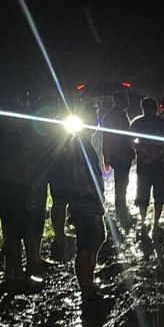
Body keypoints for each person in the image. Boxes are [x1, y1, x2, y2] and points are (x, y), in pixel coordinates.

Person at [0, 100, 47, 292]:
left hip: (4, 189)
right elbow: (17, 164)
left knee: (12, 231)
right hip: (11, 190)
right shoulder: (6, 136)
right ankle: (17, 274)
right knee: (15, 231)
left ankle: (13, 273)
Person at [57, 104, 107, 293]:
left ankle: (89, 280)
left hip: (89, 198)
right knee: (87, 242)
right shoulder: (79, 144)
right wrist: (87, 192)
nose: (95, 121)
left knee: (96, 239)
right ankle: (85, 283)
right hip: (85, 199)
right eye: (92, 118)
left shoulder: (84, 142)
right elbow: (77, 172)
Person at [129, 97, 164, 238]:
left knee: (142, 192)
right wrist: (157, 153)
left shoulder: (136, 122)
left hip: (143, 162)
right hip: (159, 162)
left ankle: (142, 221)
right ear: (156, 108)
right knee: (159, 194)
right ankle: (155, 223)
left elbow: (131, 141)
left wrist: (144, 152)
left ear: (143, 108)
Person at [100, 91, 132, 228]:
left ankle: (121, 204)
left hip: (121, 153)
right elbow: (108, 137)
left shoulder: (115, 114)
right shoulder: (114, 115)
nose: (128, 102)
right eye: (125, 99)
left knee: (122, 180)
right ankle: (120, 205)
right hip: (120, 153)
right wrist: (106, 156)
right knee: (121, 180)